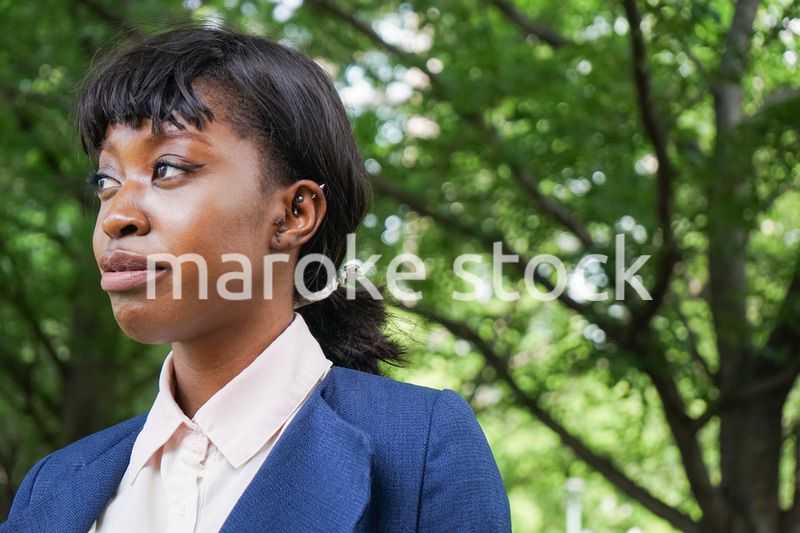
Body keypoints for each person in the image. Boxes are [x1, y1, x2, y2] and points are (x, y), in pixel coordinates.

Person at [1, 23, 511, 532]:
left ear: (293, 214)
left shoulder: (421, 448)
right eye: (106, 181)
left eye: (168, 168)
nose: (117, 216)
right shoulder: (54, 487)